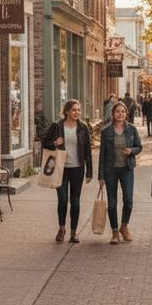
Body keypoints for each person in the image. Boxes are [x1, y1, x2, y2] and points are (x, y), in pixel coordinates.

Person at [42, 99, 93, 243]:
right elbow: (45, 143)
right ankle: (62, 227)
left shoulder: (83, 127)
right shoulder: (57, 126)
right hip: (61, 168)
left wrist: (89, 172)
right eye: (74, 110)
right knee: (63, 200)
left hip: (77, 168)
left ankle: (73, 232)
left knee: (75, 201)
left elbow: (87, 150)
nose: (77, 113)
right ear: (66, 112)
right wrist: (54, 143)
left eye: (79, 110)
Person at [98, 101, 143, 244]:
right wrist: (101, 176)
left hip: (127, 169)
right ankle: (115, 231)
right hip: (110, 170)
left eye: (123, 111)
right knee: (112, 203)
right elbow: (102, 155)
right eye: (117, 111)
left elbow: (139, 146)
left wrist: (132, 151)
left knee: (128, 200)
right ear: (113, 114)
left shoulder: (132, 129)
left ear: (126, 113)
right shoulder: (106, 131)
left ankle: (124, 226)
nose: (120, 114)